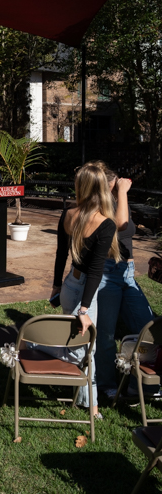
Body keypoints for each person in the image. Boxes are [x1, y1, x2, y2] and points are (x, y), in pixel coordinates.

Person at [51, 162, 118, 417]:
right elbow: (96, 271)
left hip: (69, 284)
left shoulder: (69, 214)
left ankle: (84, 399)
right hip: (86, 292)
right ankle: (93, 407)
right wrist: (85, 308)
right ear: (101, 188)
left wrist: (57, 286)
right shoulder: (105, 224)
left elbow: (60, 254)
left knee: (78, 342)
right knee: (88, 347)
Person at [93, 163, 154, 399]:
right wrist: (121, 192)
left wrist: (121, 194)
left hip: (127, 269)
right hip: (107, 270)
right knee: (106, 333)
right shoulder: (100, 202)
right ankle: (105, 385)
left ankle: (142, 384)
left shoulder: (118, 198)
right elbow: (121, 227)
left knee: (147, 328)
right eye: (115, 183)